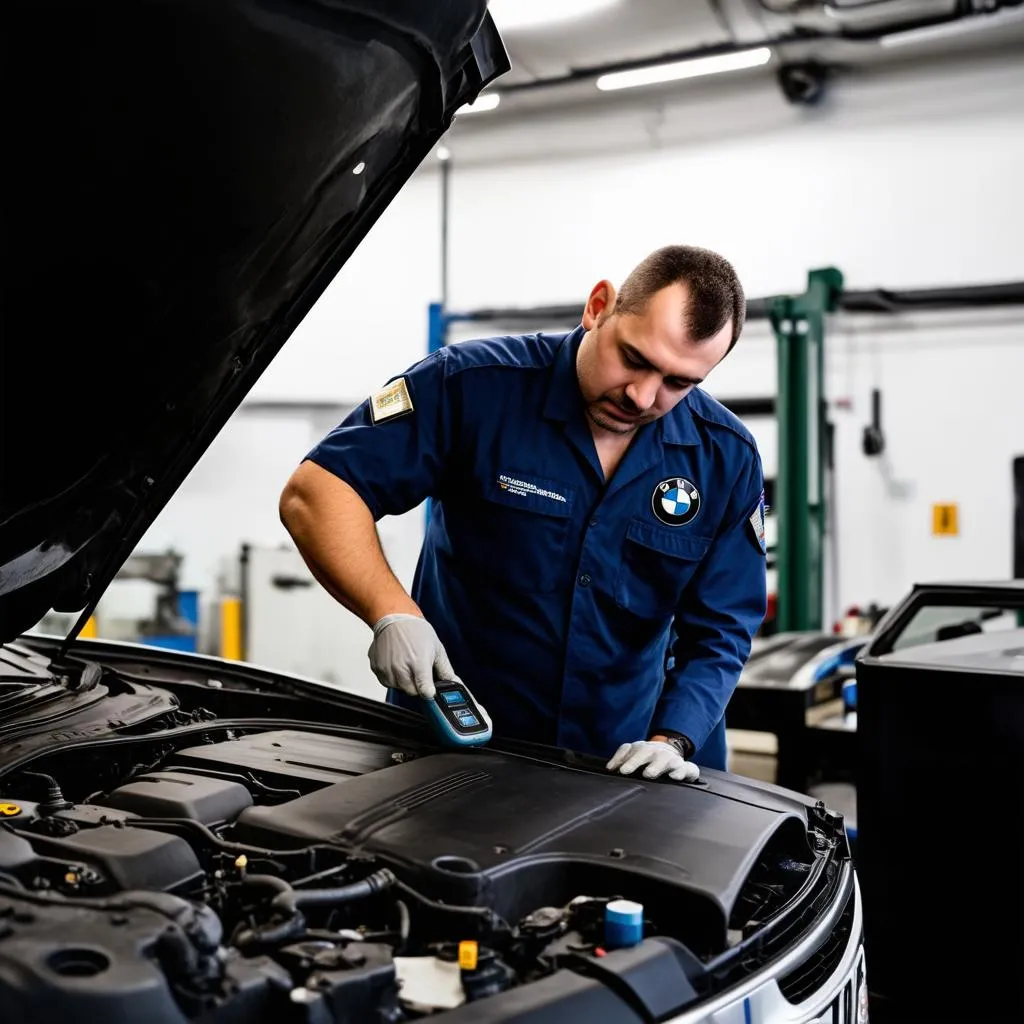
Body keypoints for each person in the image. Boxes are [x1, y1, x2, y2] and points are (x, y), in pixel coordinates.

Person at [279, 245, 767, 782]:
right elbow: (319, 491)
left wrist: (672, 739)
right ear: (598, 306)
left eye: (679, 383)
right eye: (635, 359)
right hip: (450, 754)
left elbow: (721, 627)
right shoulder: (469, 387)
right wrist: (391, 612)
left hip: (615, 770)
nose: (643, 395)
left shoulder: (724, 458)